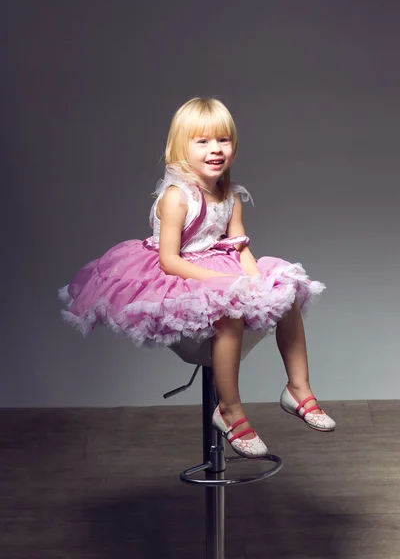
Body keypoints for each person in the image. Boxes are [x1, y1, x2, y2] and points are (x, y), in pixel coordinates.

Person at [59, 97, 335, 458]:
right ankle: (230, 410)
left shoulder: (231, 195)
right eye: (202, 141)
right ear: (180, 147)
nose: (215, 149)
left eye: (223, 140)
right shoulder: (177, 198)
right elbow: (170, 260)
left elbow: (238, 246)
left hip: (219, 264)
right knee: (229, 314)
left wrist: (257, 280)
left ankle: (298, 388)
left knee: (288, 292)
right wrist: (218, 282)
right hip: (179, 273)